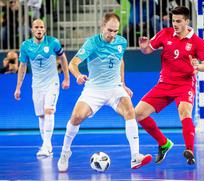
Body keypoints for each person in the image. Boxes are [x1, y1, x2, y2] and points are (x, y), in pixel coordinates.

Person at [57, 12, 152, 172]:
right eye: (109, 30)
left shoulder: (121, 42)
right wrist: (78, 75)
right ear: (103, 27)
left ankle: (135, 156)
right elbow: (73, 63)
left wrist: (122, 83)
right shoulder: (92, 43)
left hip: (114, 88)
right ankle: (65, 152)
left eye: (115, 31)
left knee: (130, 112)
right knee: (76, 117)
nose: (112, 34)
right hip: (94, 89)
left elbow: (120, 60)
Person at [136, 6, 204, 165]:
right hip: (164, 84)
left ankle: (189, 150)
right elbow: (148, 50)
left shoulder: (197, 41)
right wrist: (143, 47)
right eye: (173, 20)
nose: (175, 24)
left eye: (178, 21)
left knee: (185, 112)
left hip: (185, 84)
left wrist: (197, 67)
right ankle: (164, 143)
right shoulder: (165, 33)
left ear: (187, 21)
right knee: (138, 113)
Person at [14, 19, 70, 156]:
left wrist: (66, 78)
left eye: (41, 27)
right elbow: (22, 66)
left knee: (49, 110)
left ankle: (46, 145)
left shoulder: (53, 42)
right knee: (41, 115)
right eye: (36, 27)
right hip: (37, 85)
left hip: (52, 82)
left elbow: (62, 58)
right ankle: (47, 146)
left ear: (45, 29)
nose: (39, 29)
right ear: (32, 29)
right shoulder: (26, 46)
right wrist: (18, 87)